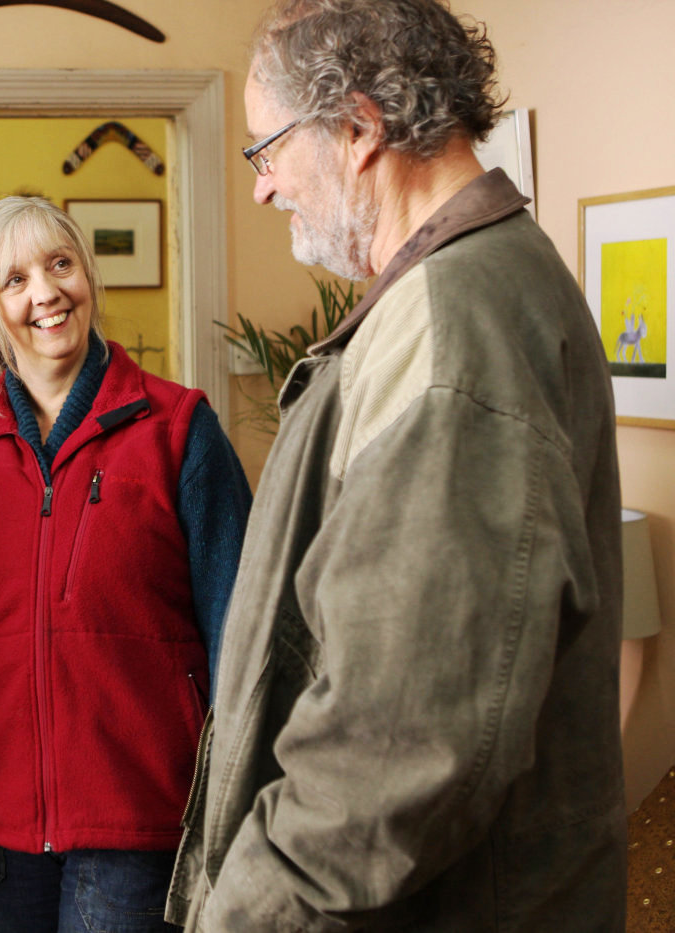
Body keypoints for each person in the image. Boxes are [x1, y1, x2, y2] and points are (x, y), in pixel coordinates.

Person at [166, 1, 626, 929]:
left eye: (267, 150)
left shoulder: (453, 323)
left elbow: (401, 742)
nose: (262, 187)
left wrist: (245, 915)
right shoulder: (466, 286)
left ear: (359, 127)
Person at [0, 196, 252, 931]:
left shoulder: (180, 428)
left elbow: (241, 632)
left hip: (138, 817)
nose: (46, 292)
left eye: (61, 264)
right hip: (4, 829)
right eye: (15, 279)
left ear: (89, 275)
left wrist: (239, 808)